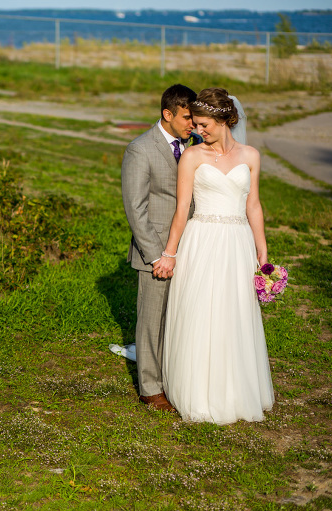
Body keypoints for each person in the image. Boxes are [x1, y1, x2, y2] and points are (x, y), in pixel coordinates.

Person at [155, 88, 275, 424]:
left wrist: (261, 247)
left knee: (233, 311)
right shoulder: (192, 157)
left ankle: (235, 390)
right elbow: (182, 209)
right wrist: (170, 253)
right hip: (202, 240)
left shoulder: (251, 155)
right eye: (195, 124)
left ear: (224, 119)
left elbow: (253, 204)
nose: (198, 130)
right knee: (202, 311)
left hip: (237, 242)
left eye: (204, 124)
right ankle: (199, 391)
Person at [121, 84, 202, 412]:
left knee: (181, 318)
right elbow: (135, 209)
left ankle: (176, 378)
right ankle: (150, 389)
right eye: (186, 118)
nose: (192, 125)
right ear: (167, 114)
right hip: (155, 254)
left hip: (193, 248)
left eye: (194, 118)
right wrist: (157, 256)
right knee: (153, 321)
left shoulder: (193, 145)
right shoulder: (140, 149)